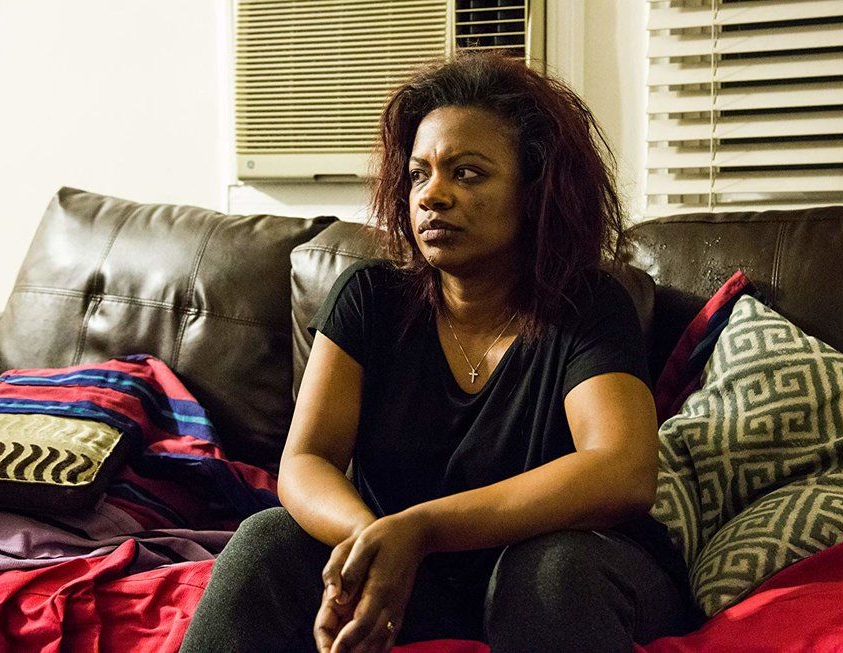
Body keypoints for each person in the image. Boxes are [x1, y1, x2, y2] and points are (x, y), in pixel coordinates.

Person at [181, 52, 691, 653]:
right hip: (421, 579)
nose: (433, 195)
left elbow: (622, 471)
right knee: (266, 538)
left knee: (549, 569)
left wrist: (422, 528)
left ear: (534, 193)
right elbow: (307, 459)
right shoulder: (369, 298)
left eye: (467, 174)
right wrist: (374, 542)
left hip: (574, 571)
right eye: (419, 174)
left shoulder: (587, 306)